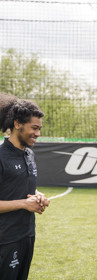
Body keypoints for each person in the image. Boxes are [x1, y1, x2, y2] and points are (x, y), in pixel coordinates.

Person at [0, 93, 50, 280]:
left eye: (39, 129)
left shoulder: (29, 154)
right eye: (34, 128)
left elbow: (22, 188)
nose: (38, 134)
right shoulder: (1, 156)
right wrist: (23, 204)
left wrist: (37, 196)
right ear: (17, 124)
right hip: (5, 239)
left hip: (27, 234)